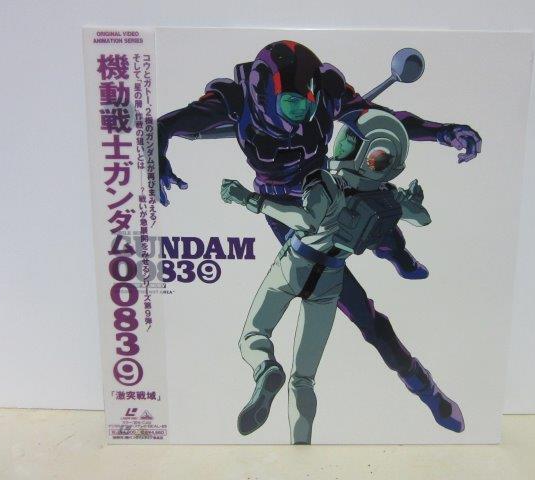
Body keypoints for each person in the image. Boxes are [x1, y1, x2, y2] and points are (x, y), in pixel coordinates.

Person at [159, 40, 479, 432]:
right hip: (288, 210)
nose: (303, 118)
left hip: (327, 189)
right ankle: (425, 387)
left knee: (381, 210)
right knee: (357, 303)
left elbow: (383, 121)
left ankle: (396, 255)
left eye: (309, 105)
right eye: (294, 104)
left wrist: (443, 132)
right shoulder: (237, 97)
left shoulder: (324, 92)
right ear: (264, 94)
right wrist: (159, 143)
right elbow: (171, 123)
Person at [221, 110, 463, 444]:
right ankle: (301, 442)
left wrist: (251, 201)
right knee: (304, 379)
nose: (344, 146)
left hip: (295, 264)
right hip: (331, 279)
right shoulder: (386, 194)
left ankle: (266, 368)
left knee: (254, 334)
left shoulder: (326, 182)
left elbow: (305, 220)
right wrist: (409, 201)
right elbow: (421, 218)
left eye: (354, 143)